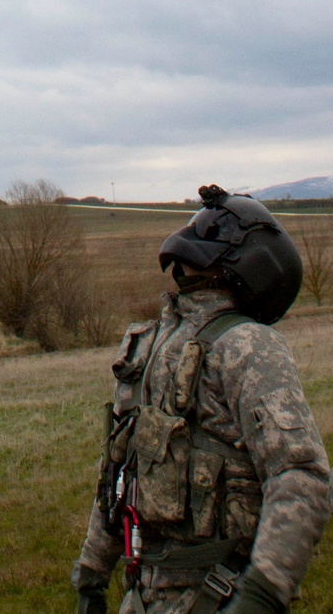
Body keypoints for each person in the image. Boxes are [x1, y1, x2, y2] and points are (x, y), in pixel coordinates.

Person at [73, 185, 329, 614]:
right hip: (144, 596)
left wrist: (262, 593)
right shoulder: (154, 345)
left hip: (219, 594)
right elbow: (121, 476)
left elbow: (301, 477)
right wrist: (92, 577)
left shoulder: (243, 346)